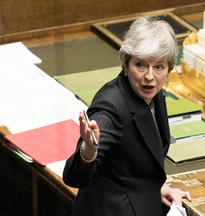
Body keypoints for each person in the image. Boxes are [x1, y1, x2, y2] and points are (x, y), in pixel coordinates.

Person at [63, 17, 192, 216]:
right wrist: (88, 151)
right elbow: (74, 178)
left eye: (159, 67)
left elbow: (132, 167)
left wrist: (156, 189)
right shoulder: (111, 106)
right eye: (141, 65)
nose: (150, 76)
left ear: (168, 69)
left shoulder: (154, 94)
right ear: (125, 64)